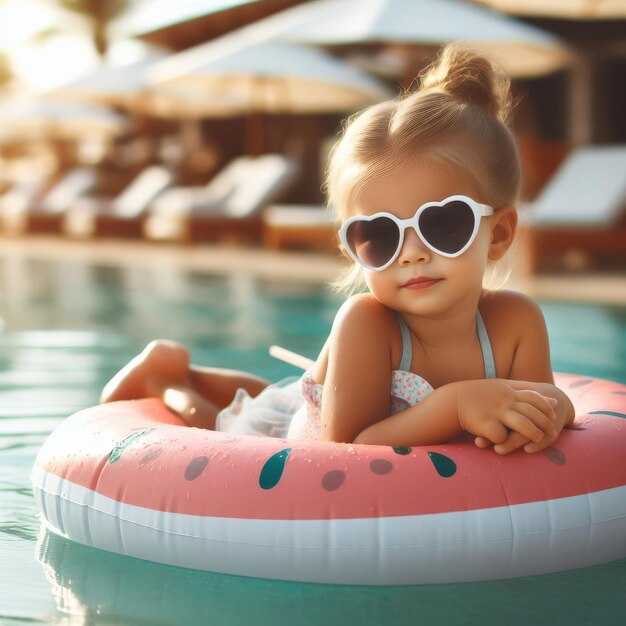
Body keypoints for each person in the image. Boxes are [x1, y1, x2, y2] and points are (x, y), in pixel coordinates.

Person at [101, 45, 575, 454]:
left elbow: (548, 401)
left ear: (498, 233)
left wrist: (548, 413)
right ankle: (164, 379)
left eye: (441, 224)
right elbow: (346, 446)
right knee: (225, 421)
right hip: (299, 434)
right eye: (379, 236)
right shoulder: (367, 323)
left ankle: (188, 370)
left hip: (326, 395)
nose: (410, 253)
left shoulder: (515, 322)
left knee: (277, 393)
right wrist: (454, 405)